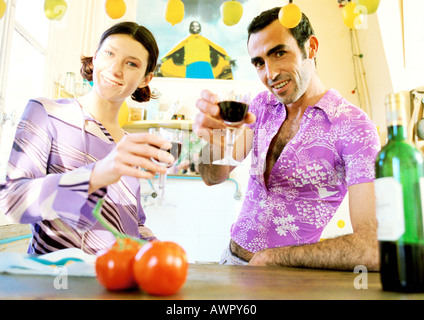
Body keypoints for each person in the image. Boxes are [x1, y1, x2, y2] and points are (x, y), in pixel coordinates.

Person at [193, 7, 381, 270]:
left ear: (311, 47)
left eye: (279, 53)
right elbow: (212, 177)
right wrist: (212, 142)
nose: (269, 74)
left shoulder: (355, 127)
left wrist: (273, 257)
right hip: (230, 261)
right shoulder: (260, 106)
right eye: (259, 62)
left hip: (288, 278)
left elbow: (372, 247)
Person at [0, 22, 175, 254]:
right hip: (56, 279)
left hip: (115, 281)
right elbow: (12, 202)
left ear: (145, 79)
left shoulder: (129, 145)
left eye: (131, 63)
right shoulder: (47, 113)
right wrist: (96, 175)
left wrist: (158, 249)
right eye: (109, 53)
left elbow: (133, 224)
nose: (115, 69)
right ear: (94, 58)